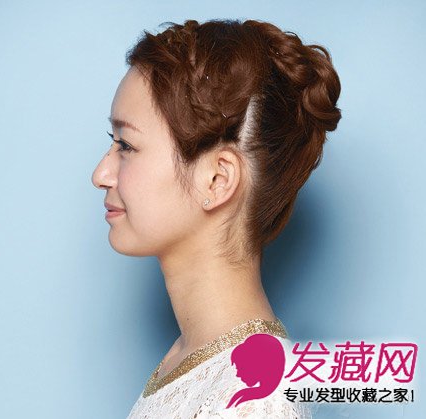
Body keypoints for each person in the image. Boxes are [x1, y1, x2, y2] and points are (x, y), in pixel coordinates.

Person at [91, 18, 341, 418]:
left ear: (217, 179)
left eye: (127, 145)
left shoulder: (253, 402)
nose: (101, 175)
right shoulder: (192, 357)